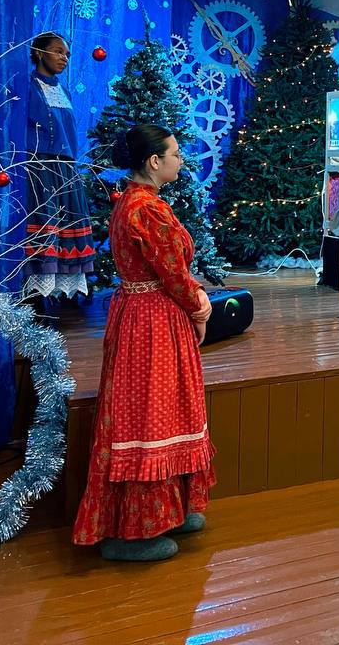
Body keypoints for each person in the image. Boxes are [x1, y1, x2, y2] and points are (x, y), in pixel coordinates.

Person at [73, 125, 215, 562]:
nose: (181, 161)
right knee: (149, 414)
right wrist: (200, 305)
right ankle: (134, 531)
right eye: (176, 154)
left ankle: (170, 509)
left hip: (145, 314)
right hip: (152, 320)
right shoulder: (146, 208)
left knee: (163, 409)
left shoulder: (133, 201)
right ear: (154, 161)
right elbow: (172, 272)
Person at [23, 32, 96, 300]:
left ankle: (57, 294)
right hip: (40, 166)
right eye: (57, 51)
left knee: (66, 228)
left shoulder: (64, 91)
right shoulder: (28, 86)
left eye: (66, 54)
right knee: (44, 224)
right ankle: (35, 295)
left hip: (65, 168)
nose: (64, 58)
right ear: (39, 52)